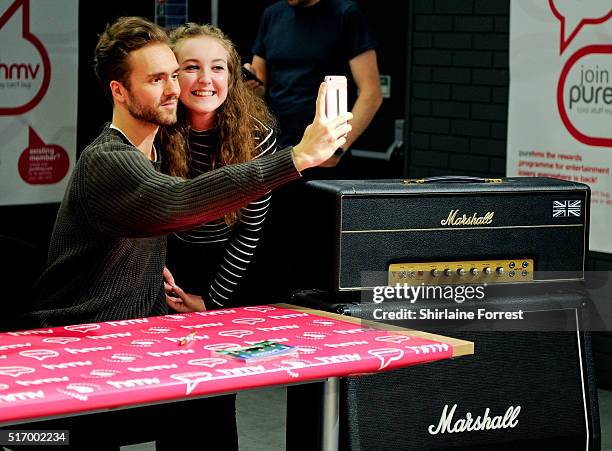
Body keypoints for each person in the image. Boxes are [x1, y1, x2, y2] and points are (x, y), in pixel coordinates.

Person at [14, 16, 350, 450]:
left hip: (133, 340)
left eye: (173, 74)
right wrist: (297, 158)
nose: (175, 88)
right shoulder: (109, 160)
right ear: (119, 91)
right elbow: (179, 202)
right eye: (158, 79)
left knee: (205, 410)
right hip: (73, 355)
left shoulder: (151, 148)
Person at [159, 23, 278, 312]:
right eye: (191, 68)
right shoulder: (155, 128)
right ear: (172, 77)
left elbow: (249, 230)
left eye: (217, 68)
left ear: (232, 76)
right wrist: (153, 283)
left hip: (231, 267)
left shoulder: (257, 136)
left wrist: (211, 302)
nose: (205, 79)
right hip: (165, 261)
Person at [245, 0, 382, 171]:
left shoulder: (346, 14)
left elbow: (371, 93)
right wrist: (252, 86)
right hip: (277, 151)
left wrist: (338, 147)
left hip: (323, 152)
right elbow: (260, 87)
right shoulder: (272, 15)